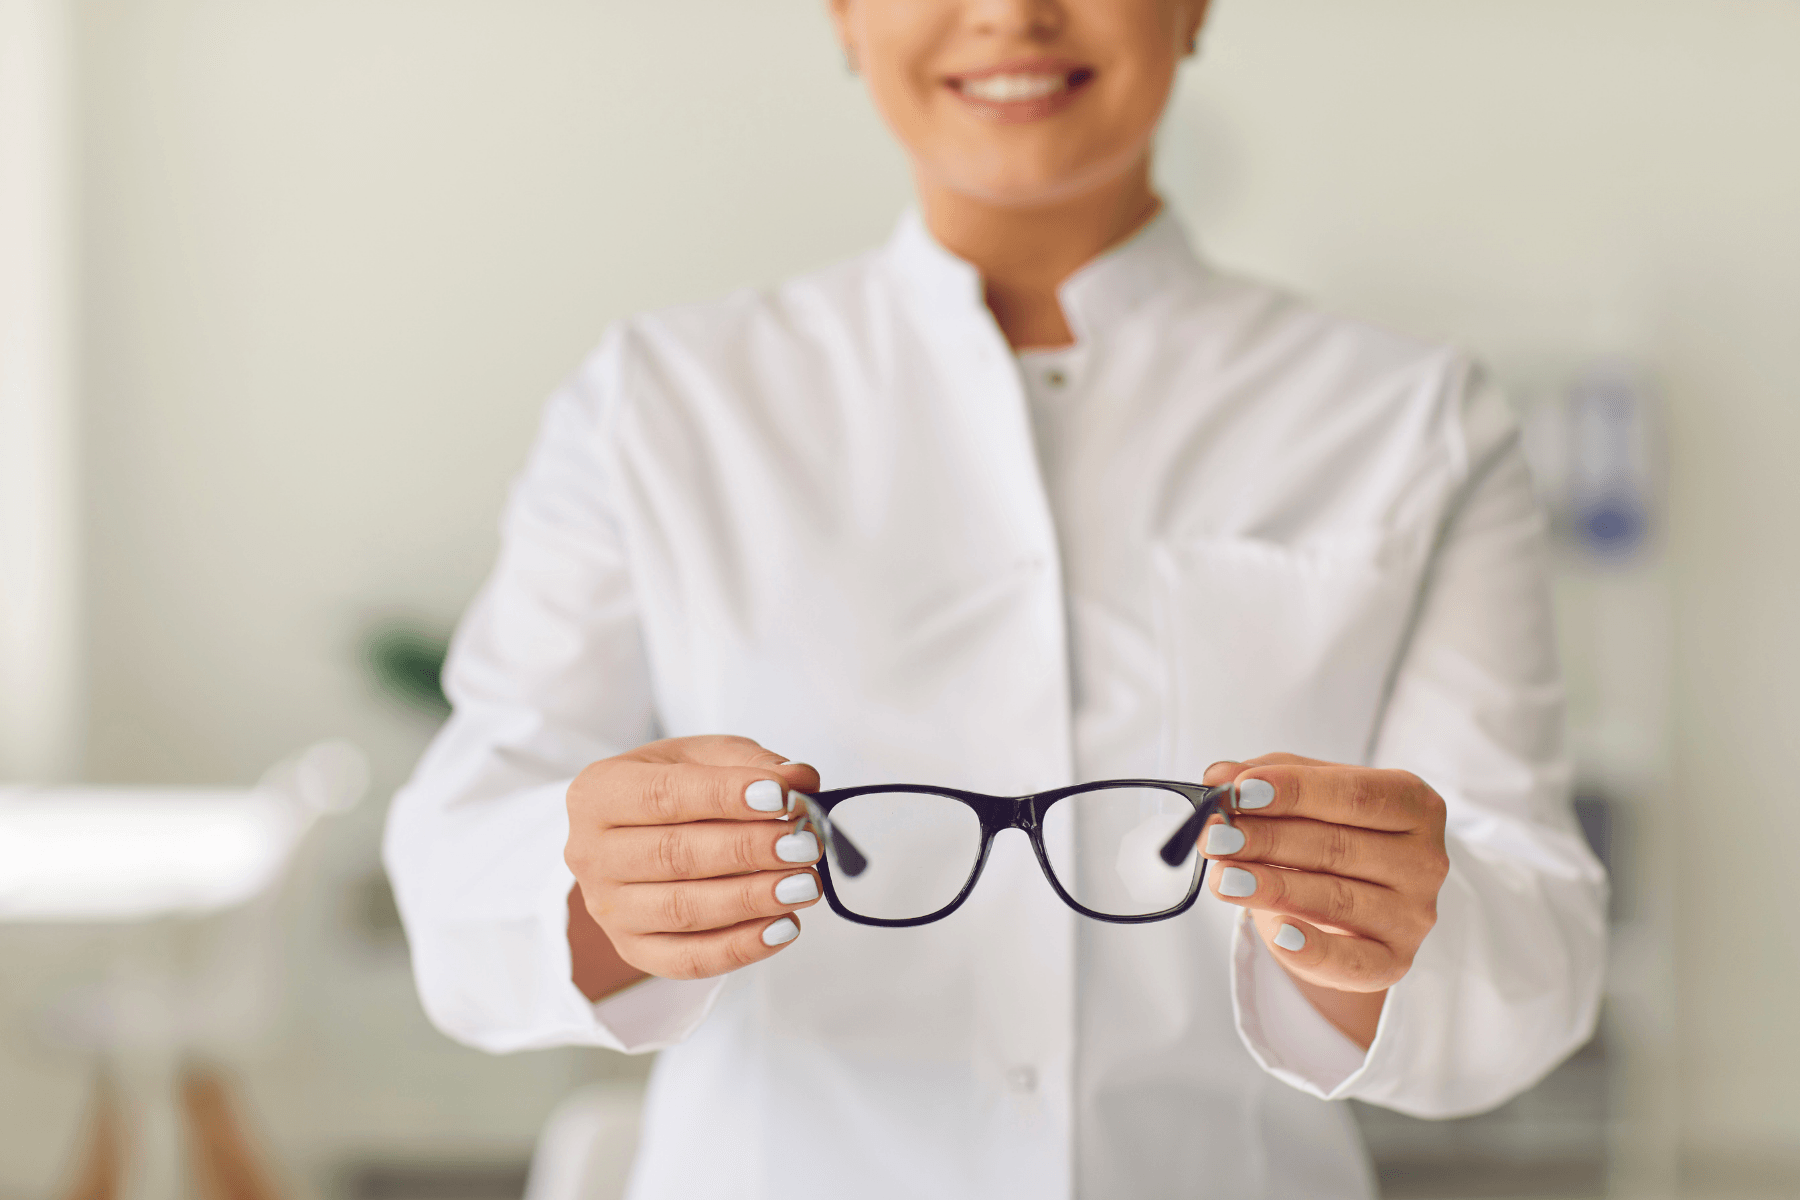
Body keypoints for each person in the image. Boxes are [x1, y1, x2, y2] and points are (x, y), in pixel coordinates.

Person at [383, 1, 1607, 1196]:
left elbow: (1539, 952)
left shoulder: (1415, 423)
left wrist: (1382, 935)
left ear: (1193, 9)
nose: (1014, 13)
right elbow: (457, 864)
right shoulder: (656, 404)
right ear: (845, 16)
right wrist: (603, 888)